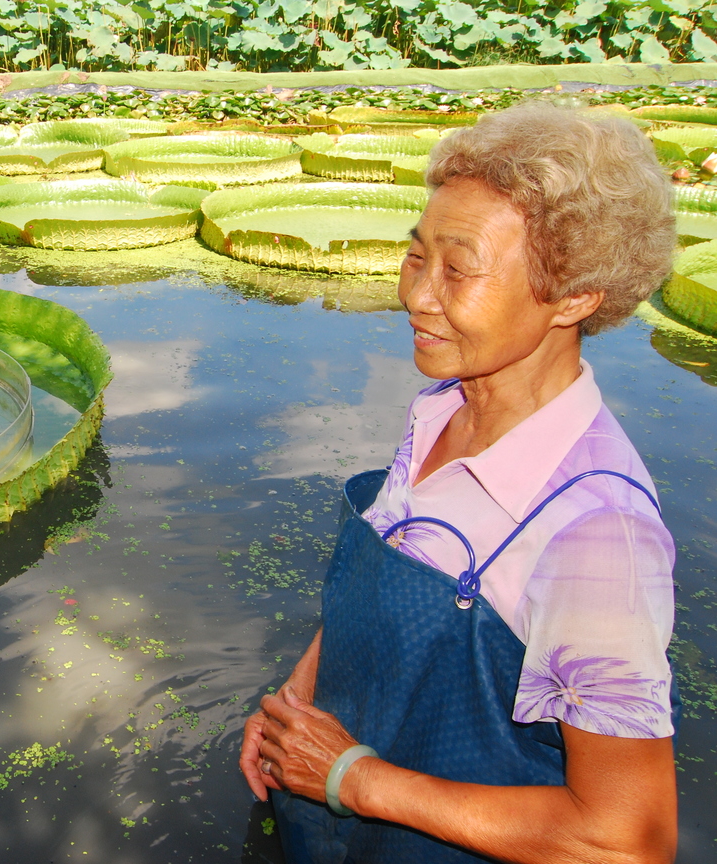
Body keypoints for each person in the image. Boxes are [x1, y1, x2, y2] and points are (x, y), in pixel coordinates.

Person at [240, 101, 680, 864]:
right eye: (416, 257)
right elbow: (382, 576)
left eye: (458, 269)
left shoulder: (595, 532)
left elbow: (624, 838)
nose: (415, 295)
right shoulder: (443, 407)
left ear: (573, 296)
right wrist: (291, 707)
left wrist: (351, 777)